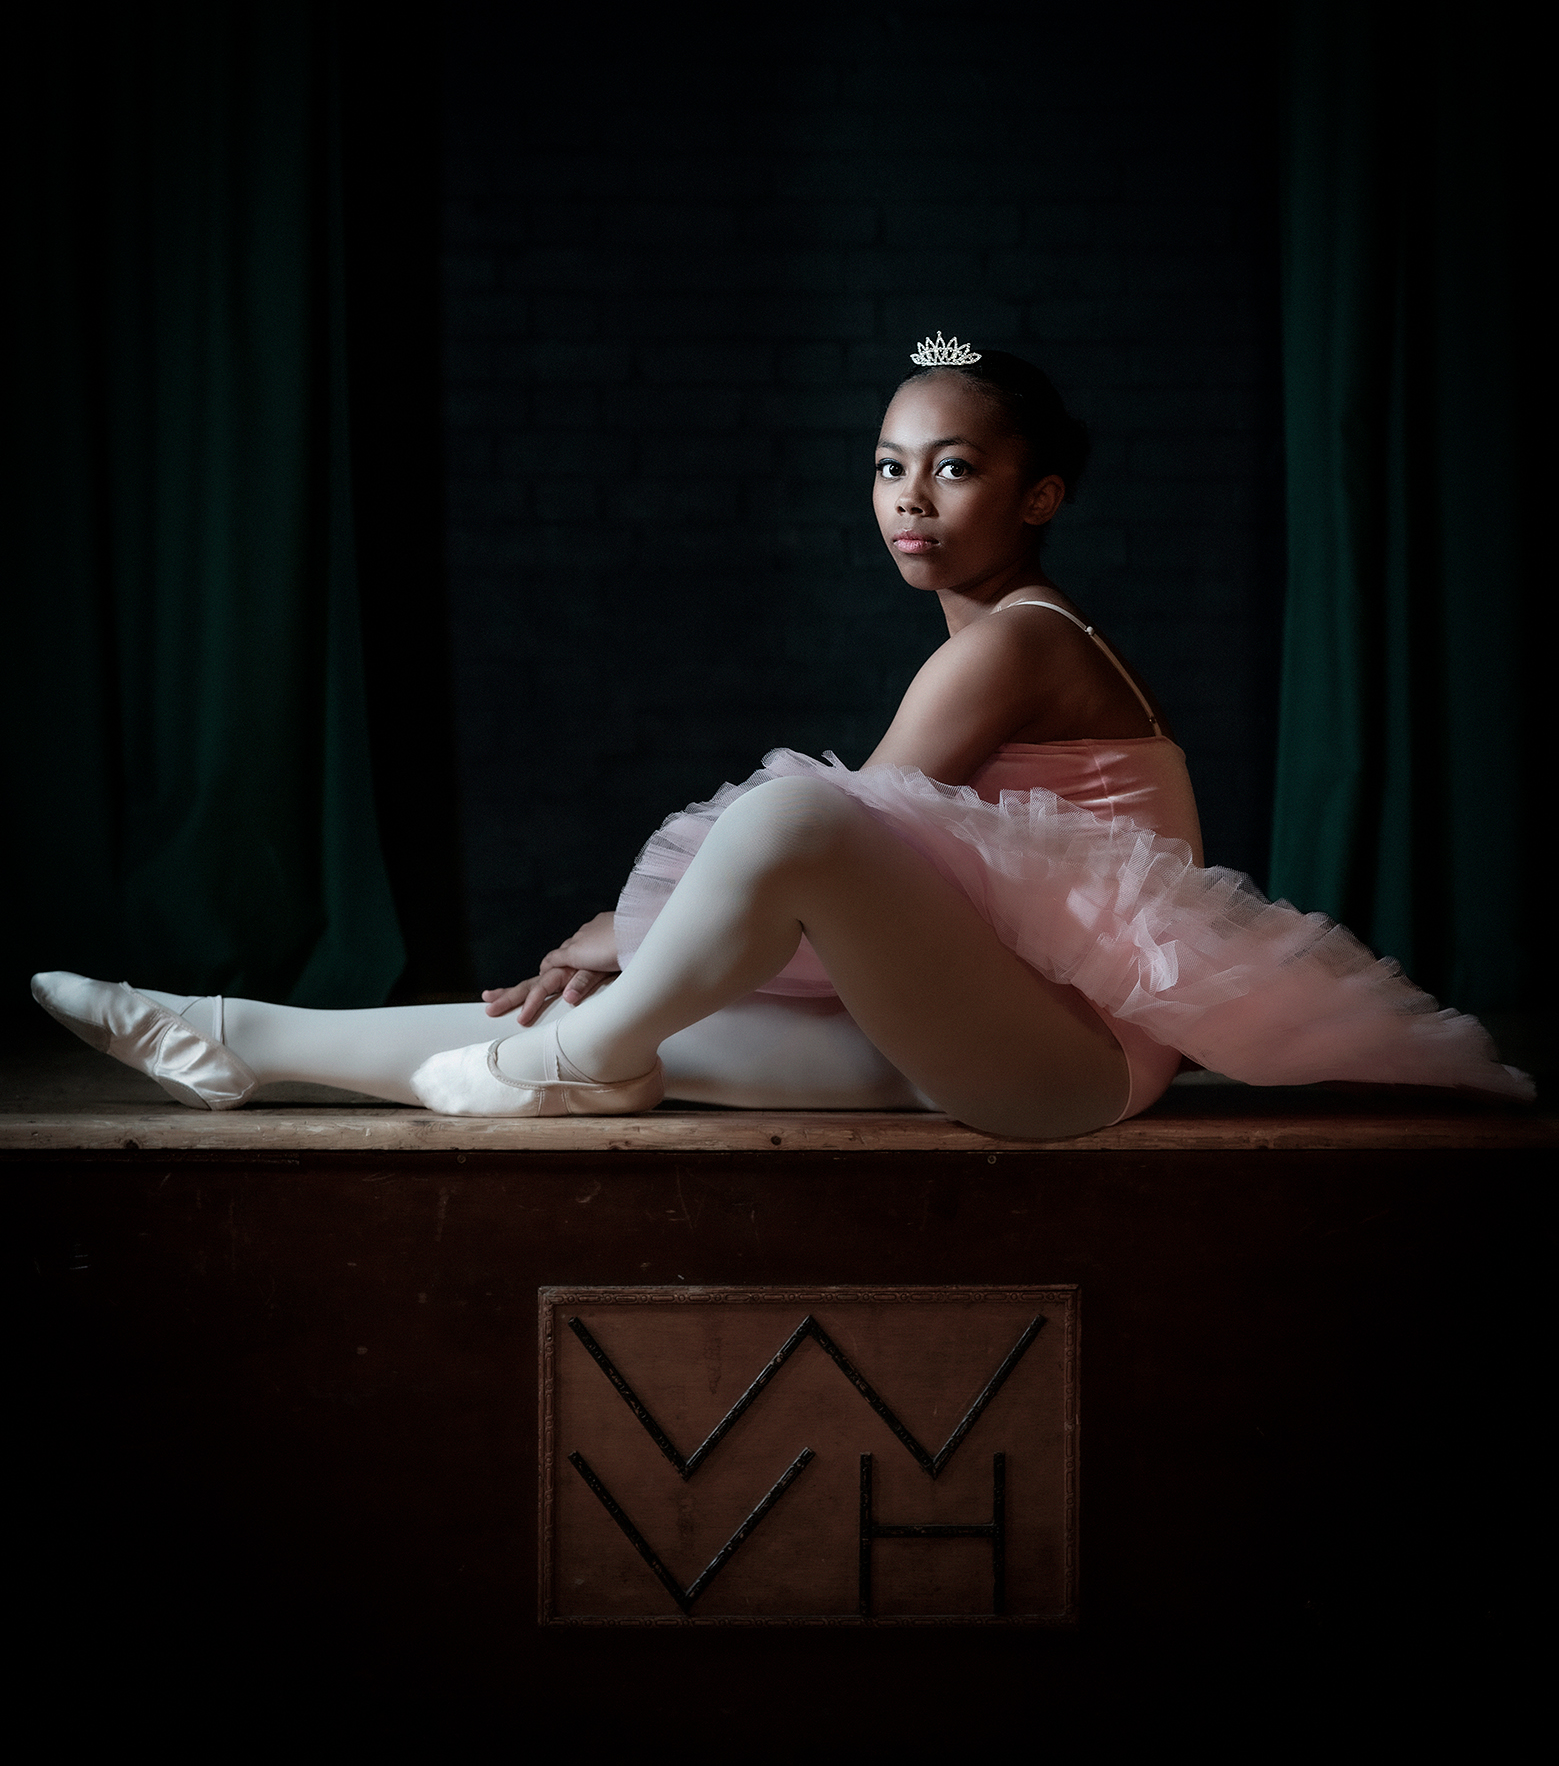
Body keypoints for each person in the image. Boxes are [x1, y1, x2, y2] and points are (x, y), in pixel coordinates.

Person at [32, 338, 1531, 1137]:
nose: (909, 498)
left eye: (955, 468)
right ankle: (226, 1041)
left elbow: (848, 835)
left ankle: (583, 1058)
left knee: (794, 818)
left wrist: (628, 929)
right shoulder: (998, 634)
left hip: (1066, 1065)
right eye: (888, 466)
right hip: (972, 1031)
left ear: (1040, 494)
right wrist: (637, 949)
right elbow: (891, 884)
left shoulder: (1018, 641)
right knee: (633, 1011)